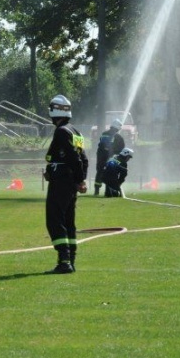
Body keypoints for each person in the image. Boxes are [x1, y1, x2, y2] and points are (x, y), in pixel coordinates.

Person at [43, 94, 88, 274]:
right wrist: (80, 179)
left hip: (61, 183)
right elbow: (83, 159)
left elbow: (73, 158)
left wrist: (79, 180)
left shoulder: (62, 131)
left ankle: (64, 261)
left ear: (54, 111)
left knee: (55, 220)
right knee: (68, 221)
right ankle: (71, 259)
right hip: (69, 184)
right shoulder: (75, 132)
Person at [93, 118, 125, 196]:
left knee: (99, 172)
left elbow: (101, 145)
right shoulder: (118, 137)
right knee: (110, 173)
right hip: (111, 157)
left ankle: (96, 190)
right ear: (117, 127)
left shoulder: (104, 133)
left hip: (101, 156)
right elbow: (121, 148)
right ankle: (108, 191)